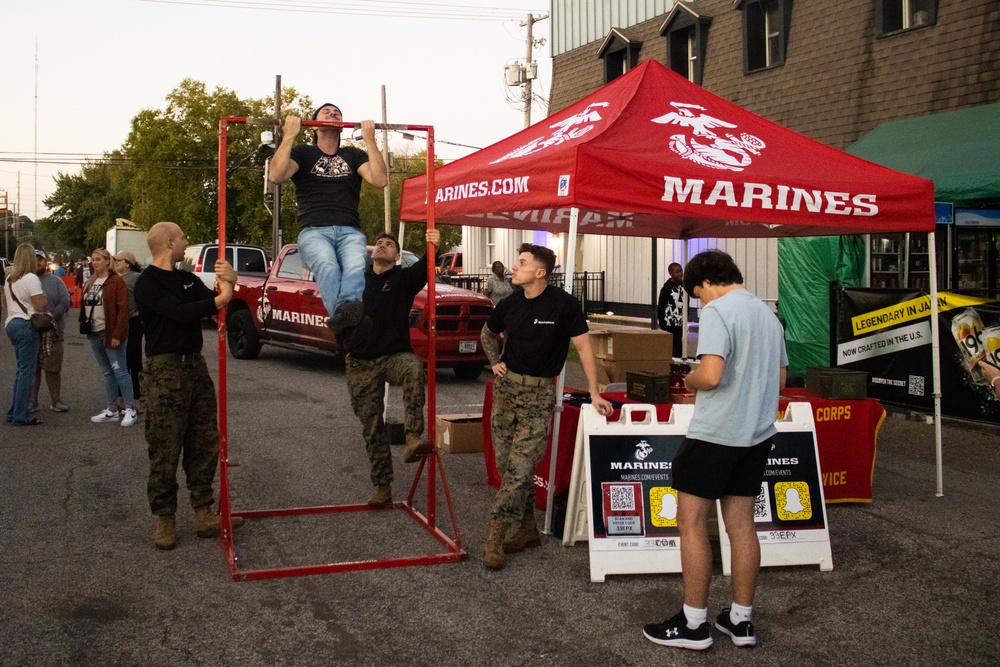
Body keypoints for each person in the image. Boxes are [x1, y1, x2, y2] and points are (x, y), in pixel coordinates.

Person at [643, 249, 787, 651]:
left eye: (697, 294)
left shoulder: (717, 312)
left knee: (690, 524)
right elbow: (780, 376)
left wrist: (689, 378)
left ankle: (694, 623)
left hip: (715, 434)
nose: (698, 302)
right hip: (757, 434)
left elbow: (710, 374)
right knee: (741, 526)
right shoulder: (768, 315)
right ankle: (740, 620)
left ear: (705, 282)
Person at [480, 243, 613, 570]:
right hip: (506, 393)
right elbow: (487, 332)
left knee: (519, 469)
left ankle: (495, 535)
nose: (515, 266)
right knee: (508, 466)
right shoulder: (510, 303)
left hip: (539, 398)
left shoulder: (564, 306)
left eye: (522, 262)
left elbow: (584, 349)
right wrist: (495, 362)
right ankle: (527, 529)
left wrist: (595, 392)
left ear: (541, 272)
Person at [134, 221, 245, 550]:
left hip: (194, 368)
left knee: (203, 442)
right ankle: (165, 516)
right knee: (165, 448)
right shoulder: (148, 283)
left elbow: (212, 301)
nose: (186, 243)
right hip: (164, 372)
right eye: (182, 238)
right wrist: (222, 299)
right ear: (169, 242)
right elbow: (180, 313)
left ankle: (203, 512)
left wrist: (231, 284)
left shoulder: (186, 278)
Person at [268, 103, 389, 352]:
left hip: (349, 230)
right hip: (314, 230)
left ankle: (344, 325)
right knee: (327, 265)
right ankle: (350, 327)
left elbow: (380, 179)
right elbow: (276, 176)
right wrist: (289, 135)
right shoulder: (303, 153)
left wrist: (370, 141)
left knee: (357, 267)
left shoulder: (353, 155)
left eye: (337, 112)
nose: (333, 114)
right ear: (314, 125)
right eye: (327, 112)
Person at [345, 229, 440, 506]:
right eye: (380, 244)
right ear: (373, 252)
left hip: (393, 356)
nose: (383, 246)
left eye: (389, 245)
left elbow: (425, 266)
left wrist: (431, 243)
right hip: (360, 362)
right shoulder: (355, 280)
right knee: (372, 427)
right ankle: (383, 486)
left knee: (413, 368)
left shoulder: (402, 279)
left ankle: (412, 437)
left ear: (397, 256)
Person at [80, 248, 137, 427]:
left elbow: (122, 310)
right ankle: (111, 409)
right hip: (94, 331)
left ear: (107, 261)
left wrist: (117, 334)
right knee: (107, 372)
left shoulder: (116, 281)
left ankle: (130, 409)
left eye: (98, 259)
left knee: (120, 370)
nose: (94, 262)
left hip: (110, 331)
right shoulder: (91, 281)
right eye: (93, 259)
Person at [3, 243, 47, 426]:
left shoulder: (9, 279)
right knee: (27, 372)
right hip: (26, 324)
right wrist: (43, 298)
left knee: (21, 370)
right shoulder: (31, 278)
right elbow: (39, 306)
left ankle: (14, 411)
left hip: (12, 323)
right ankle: (21, 414)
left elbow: (5, 303)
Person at [30, 249, 71, 413]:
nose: (37, 263)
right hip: (32, 333)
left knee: (53, 369)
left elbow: (65, 301)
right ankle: (32, 402)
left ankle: (56, 401)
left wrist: (54, 317)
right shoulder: (27, 281)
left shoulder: (56, 281)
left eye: (40, 259)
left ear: (45, 262)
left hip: (54, 334)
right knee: (33, 370)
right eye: (34, 260)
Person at [114, 250, 144, 413]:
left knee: (134, 361)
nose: (115, 262)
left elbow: (144, 299)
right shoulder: (115, 279)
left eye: (118, 260)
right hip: (118, 322)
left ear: (128, 262)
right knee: (120, 361)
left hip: (133, 321)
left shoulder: (136, 278)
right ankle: (120, 399)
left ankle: (136, 399)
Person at [657, 262, 685, 358]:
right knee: (673, 345)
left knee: (679, 344)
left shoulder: (683, 287)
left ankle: (679, 358)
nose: (680, 274)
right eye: (677, 272)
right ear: (671, 273)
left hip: (681, 321)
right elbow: (661, 306)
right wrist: (662, 322)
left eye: (681, 271)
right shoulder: (667, 288)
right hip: (670, 322)